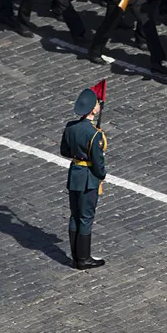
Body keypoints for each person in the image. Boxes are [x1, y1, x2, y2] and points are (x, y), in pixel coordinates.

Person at [61, 87, 108, 270]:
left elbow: (64, 151)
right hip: (88, 177)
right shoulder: (95, 134)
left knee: (75, 215)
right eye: (96, 104)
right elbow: (98, 163)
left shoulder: (70, 127)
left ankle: (75, 256)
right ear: (92, 109)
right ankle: (84, 258)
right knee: (86, 216)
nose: (98, 106)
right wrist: (101, 175)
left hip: (74, 174)